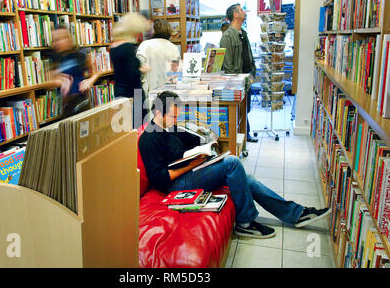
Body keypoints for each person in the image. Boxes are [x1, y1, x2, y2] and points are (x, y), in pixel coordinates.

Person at [138, 91, 331, 239]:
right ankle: (245, 223)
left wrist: (208, 144)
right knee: (232, 163)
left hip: (190, 171)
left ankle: (296, 213)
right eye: (172, 116)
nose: (175, 120)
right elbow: (161, 180)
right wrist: (191, 164)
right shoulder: (148, 139)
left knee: (245, 177)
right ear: (157, 112)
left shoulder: (169, 127)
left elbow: (194, 141)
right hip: (174, 187)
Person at [220, 4, 258, 143]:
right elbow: (228, 64)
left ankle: (245, 135)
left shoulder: (243, 33)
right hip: (237, 82)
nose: (244, 12)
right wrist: (236, 83)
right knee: (237, 112)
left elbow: (248, 55)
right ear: (235, 15)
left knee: (245, 109)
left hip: (247, 78)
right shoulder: (227, 36)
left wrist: (253, 72)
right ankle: (239, 138)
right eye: (241, 10)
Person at [110, 13, 151, 128]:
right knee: (139, 128)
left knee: (125, 129)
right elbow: (132, 74)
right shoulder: (128, 47)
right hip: (134, 94)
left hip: (119, 93)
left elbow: (122, 71)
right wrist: (143, 70)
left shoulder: (113, 47)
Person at [49, 27, 101, 117]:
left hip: (82, 101)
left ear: (69, 39)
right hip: (66, 105)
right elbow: (48, 82)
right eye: (56, 40)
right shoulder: (54, 59)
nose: (59, 42)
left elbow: (96, 72)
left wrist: (89, 81)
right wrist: (60, 81)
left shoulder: (80, 55)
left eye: (63, 38)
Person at [136, 18, 181, 116]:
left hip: (149, 90)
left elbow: (138, 65)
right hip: (168, 92)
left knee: (150, 121)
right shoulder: (174, 48)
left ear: (154, 30)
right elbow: (174, 75)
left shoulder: (145, 45)